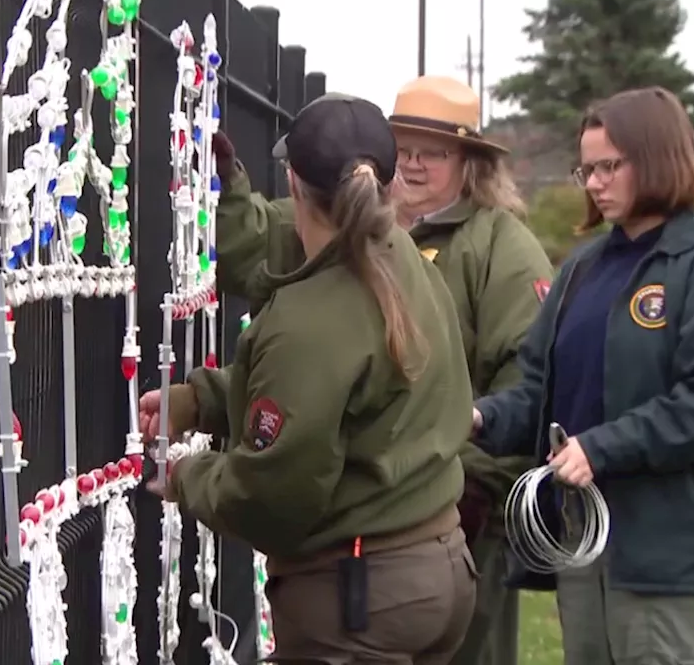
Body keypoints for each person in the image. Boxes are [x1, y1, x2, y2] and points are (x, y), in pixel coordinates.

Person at [207, 76, 551, 665]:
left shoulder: (502, 250)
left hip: (456, 514)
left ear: (470, 162)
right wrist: (226, 186)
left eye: (434, 153)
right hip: (385, 521)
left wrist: (466, 477)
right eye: (405, 149)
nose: (415, 165)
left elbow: (531, 385)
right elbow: (254, 246)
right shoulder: (361, 224)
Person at [138, 95, 478, 663]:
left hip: (360, 600)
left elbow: (274, 495)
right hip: (439, 567)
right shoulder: (410, 268)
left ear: (292, 185)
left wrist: (186, 476)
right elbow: (348, 399)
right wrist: (200, 401)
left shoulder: (310, 320)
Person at [472, 86, 694, 665]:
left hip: (680, 561)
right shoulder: (583, 270)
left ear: (660, 157)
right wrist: (481, 416)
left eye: (609, 166)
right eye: (585, 169)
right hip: (589, 554)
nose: (593, 183)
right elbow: (542, 392)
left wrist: (601, 448)